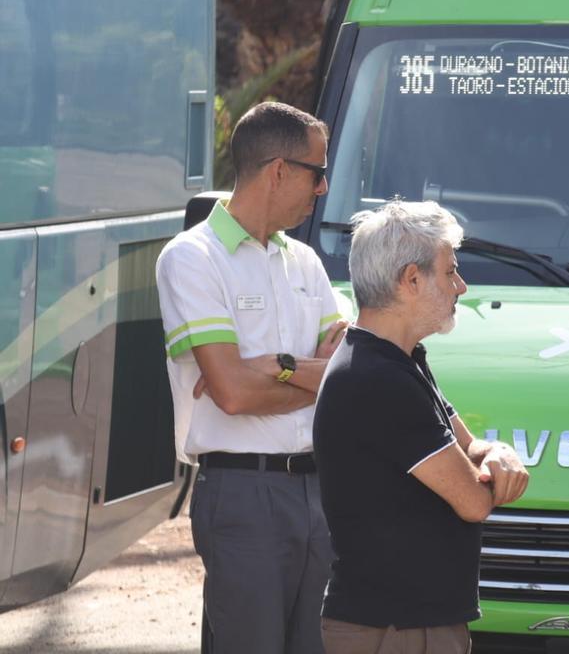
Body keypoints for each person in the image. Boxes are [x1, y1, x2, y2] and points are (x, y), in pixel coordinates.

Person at [156, 101, 348, 654]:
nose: (323, 188)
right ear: (279, 171)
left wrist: (281, 367)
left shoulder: (307, 262)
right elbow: (235, 395)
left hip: (320, 493)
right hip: (243, 494)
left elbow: (349, 373)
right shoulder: (191, 258)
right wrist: (311, 377)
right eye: (318, 172)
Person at [313, 200, 530, 654]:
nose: (462, 286)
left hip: (409, 624)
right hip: (395, 629)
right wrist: (495, 474)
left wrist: (500, 454)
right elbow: (472, 500)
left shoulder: (400, 361)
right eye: (450, 272)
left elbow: (471, 448)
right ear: (411, 280)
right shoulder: (378, 378)